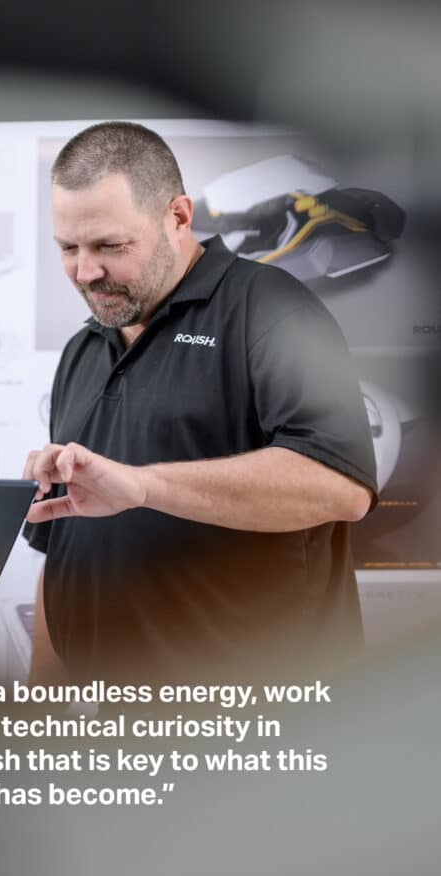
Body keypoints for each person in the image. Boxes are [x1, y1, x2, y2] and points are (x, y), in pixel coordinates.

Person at [23, 121, 378, 687]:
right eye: (69, 248)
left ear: (179, 217)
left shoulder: (272, 309)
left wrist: (143, 486)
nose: (86, 272)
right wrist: (41, 703)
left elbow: (342, 486)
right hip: (116, 717)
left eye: (110, 246)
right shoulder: (82, 349)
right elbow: (60, 545)